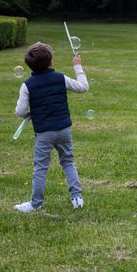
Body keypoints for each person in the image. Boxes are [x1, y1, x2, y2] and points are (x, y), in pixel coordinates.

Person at [13, 42, 89, 213]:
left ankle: (35, 203)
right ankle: (77, 198)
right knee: (68, 161)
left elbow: (20, 111)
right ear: (51, 62)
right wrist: (78, 67)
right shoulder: (60, 78)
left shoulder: (27, 85)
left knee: (40, 168)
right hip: (64, 130)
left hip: (43, 134)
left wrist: (28, 112)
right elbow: (83, 87)